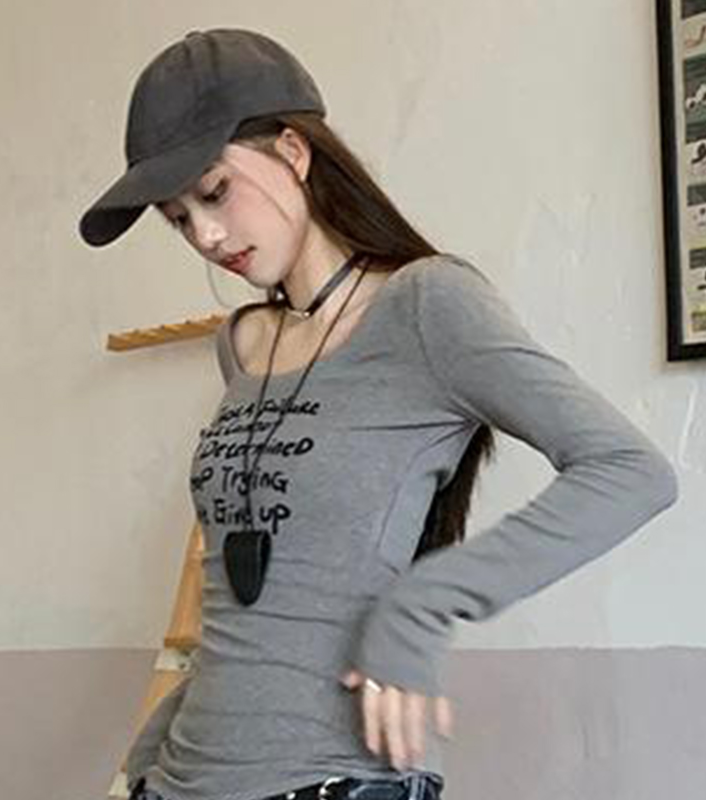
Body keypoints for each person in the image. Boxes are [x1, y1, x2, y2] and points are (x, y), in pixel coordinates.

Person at [78, 27, 679, 800]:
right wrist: (148, 756)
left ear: (293, 152)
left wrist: (423, 606)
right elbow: (253, 600)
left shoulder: (427, 304)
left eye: (214, 191)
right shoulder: (245, 343)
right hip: (177, 778)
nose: (207, 235)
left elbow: (632, 472)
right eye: (178, 217)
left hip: (333, 780)